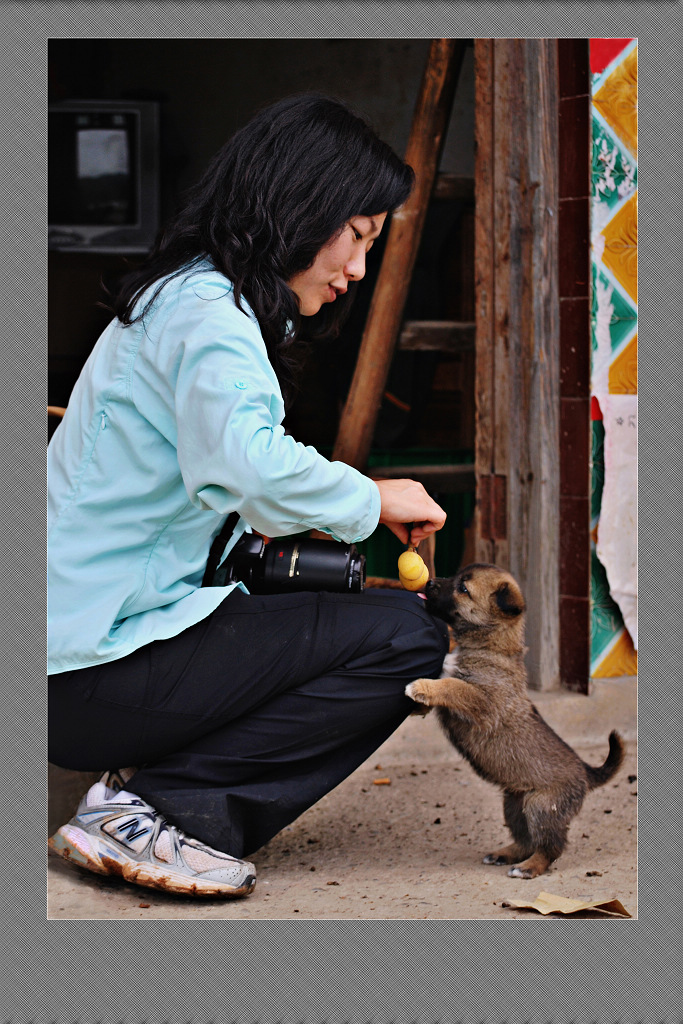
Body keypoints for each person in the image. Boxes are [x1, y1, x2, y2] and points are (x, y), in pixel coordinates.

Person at [48, 94, 449, 898]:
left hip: (89, 648)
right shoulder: (208, 313)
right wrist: (372, 500)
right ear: (306, 204)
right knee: (401, 642)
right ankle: (157, 816)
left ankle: (158, 789)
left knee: (364, 618)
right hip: (85, 669)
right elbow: (251, 470)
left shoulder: (193, 298)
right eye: (359, 236)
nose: (357, 271)